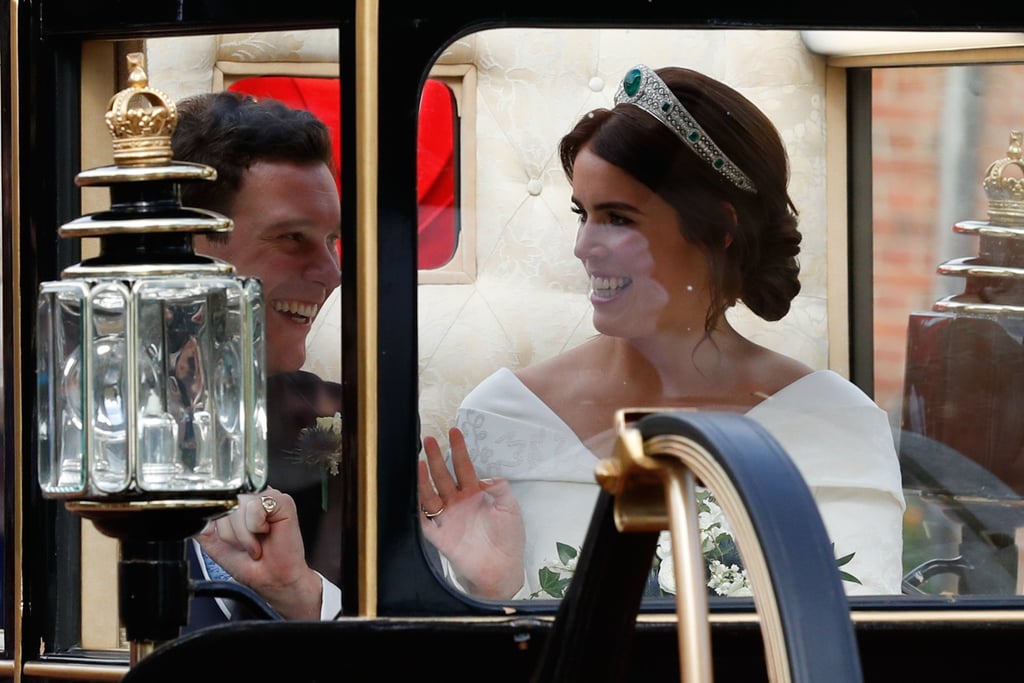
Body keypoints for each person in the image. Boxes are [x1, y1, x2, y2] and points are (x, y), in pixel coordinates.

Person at [416, 64, 906, 600]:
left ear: (720, 229)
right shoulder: (504, 417)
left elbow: (858, 647)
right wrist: (491, 590)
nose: (583, 246)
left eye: (619, 219)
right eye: (583, 213)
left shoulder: (837, 425)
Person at [169, 90, 344, 623]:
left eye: (332, 240)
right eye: (292, 238)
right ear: (192, 245)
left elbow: (393, 638)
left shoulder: (353, 429)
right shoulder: (57, 433)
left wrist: (303, 600)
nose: (332, 273)